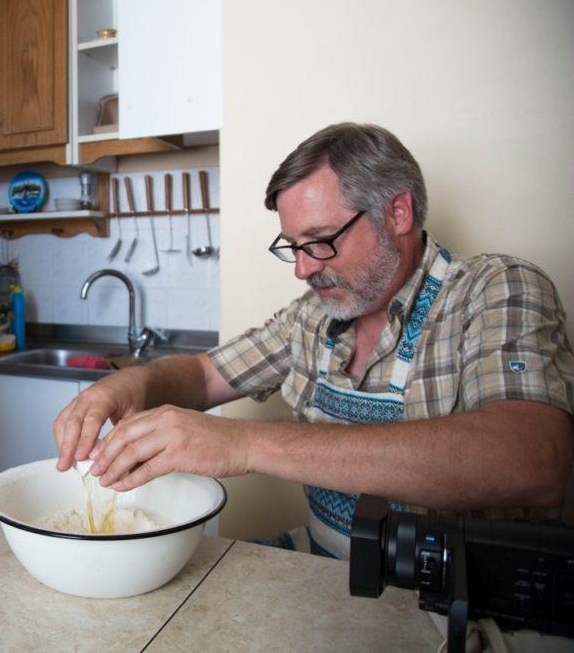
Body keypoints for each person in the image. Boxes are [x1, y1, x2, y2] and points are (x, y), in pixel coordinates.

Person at [53, 123, 574, 558]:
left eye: (321, 242)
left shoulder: (494, 289)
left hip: (454, 596)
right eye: (293, 246)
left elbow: (531, 459)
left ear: (398, 213)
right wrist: (128, 386)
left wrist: (246, 443)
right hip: (323, 561)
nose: (303, 269)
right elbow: (205, 375)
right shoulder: (312, 318)